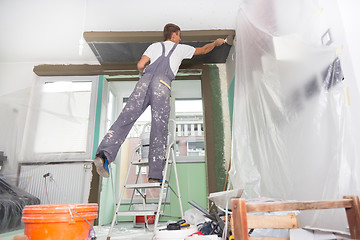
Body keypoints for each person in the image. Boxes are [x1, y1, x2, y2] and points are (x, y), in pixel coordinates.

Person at [94, 23, 225, 182]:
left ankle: (103, 155)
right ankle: (155, 175)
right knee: (159, 128)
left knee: (125, 119)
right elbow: (204, 50)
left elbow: (140, 65)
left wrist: (145, 77)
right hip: (162, 86)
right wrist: (216, 43)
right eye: (179, 35)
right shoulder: (181, 48)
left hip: (143, 83)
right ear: (174, 35)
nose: (180, 38)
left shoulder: (154, 46)